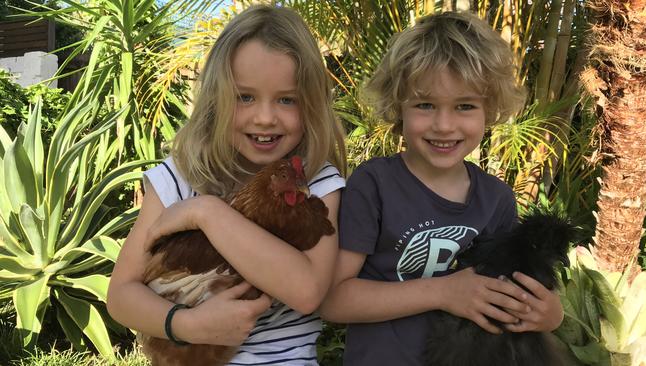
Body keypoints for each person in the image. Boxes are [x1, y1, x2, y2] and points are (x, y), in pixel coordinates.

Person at [319, 11, 564, 366]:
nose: (444, 124)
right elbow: (333, 301)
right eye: (425, 105)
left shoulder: (496, 199)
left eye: (464, 106)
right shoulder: (373, 185)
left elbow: (510, 293)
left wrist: (550, 314)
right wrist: (442, 292)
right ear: (399, 106)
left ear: (490, 109)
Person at [107, 5, 347, 365]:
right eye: (244, 97)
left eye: (287, 99)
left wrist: (207, 212)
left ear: (311, 104)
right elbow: (121, 295)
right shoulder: (180, 177)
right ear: (216, 99)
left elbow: (307, 290)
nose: (265, 118)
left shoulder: (315, 182)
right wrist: (187, 325)